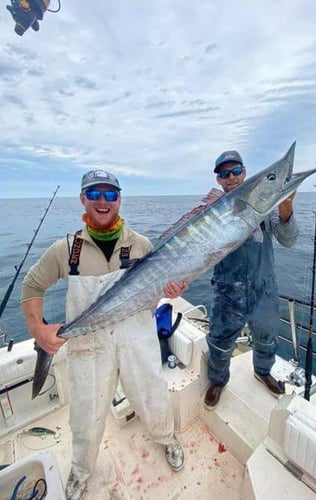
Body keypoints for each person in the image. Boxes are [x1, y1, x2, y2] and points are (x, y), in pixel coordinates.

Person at [21, 170, 189, 500]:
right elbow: (32, 285)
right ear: (83, 199)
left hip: (137, 338)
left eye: (110, 195)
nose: (102, 201)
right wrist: (38, 330)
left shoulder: (141, 244)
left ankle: (167, 439)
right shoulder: (64, 250)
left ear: (120, 199)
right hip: (88, 345)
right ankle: (81, 470)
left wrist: (174, 288)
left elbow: (159, 291)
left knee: (152, 395)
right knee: (86, 412)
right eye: (94, 194)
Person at [204, 151, 299, 410]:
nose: (232, 177)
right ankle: (217, 380)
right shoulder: (211, 212)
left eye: (236, 171)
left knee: (267, 337)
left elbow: (289, 241)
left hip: (263, 290)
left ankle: (263, 371)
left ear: (245, 173)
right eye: (225, 174)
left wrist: (286, 211)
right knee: (220, 342)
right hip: (226, 292)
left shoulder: (266, 208)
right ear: (219, 180)